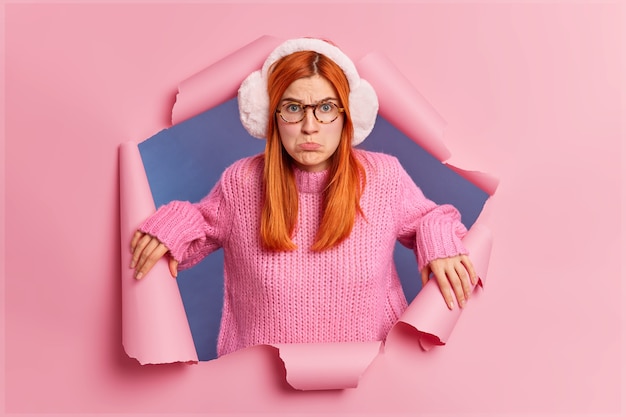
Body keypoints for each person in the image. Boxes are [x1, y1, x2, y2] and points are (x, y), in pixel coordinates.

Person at [130, 38, 476, 357]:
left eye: (325, 108)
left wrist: (439, 240)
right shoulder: (243, 182)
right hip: (262, 391)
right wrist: (172, 223)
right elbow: (198, 226)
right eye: (293, 108)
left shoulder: (383, 177)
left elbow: (432, 217)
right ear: (272, 116)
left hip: (370, 387)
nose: (310, 126)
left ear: (346, 115)